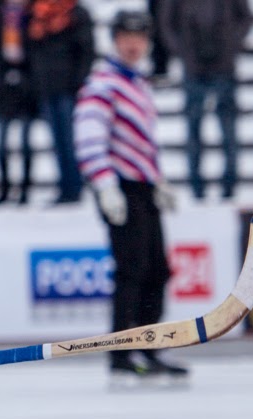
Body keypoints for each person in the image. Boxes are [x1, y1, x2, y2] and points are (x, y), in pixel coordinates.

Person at [74, 10, 187, 386]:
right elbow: (89, 137)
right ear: (115, 39)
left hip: (141, 187)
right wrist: (104, 184)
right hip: (120, 187)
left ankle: (150, 349)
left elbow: (140, 140)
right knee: (132, 272)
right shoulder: (103, 83)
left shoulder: (136, 82)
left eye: (140, 37)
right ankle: (122, 357)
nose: (134, 44)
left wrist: (157, 180)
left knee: (157, 270)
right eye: (126, 37)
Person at [160, 0, 252, 200]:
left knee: (228, 131)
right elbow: (167, 23)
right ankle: (197, 188)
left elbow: (245, 17)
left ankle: (229, 186)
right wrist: (182, 52)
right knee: (194, 131)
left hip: (224, 66)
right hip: (193, 66)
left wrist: (232, 44)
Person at [24, 0, 95, 205]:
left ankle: (75, 186)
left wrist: (78, 82)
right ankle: (65, 185)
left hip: (68, 88)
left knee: (70, 141)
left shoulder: (76, 14)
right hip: (46, 87)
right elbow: (30, 52)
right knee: (57, 142)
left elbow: (86, 51)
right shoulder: (35, 15)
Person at [0, 0, 37, 206]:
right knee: (1, 144)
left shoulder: (32, 18)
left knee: (25, 142)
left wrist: (25, 75)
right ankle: (4, 188)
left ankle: (25, 189)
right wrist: (3, 72)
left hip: (27, 91)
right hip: (4, 91)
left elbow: (38, 51)